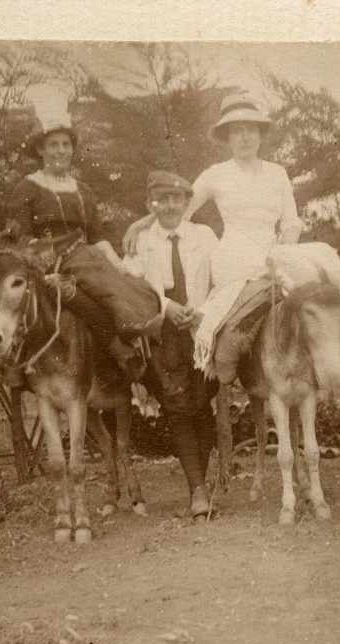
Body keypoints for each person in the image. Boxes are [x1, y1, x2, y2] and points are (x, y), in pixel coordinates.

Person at [124, 93, 324, 384]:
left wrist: (284, 252)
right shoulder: (215, 175)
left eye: (251, 129)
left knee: (317, 293)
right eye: (237, 131)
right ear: (227, 138)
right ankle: (233, 363)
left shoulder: (278, 173)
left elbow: (291, 221)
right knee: (246, 312)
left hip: (274, 253)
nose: (245, 137)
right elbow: (181, 210)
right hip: (235, 258)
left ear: (260, 134)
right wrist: (142, 223)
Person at [6, 101, 160, 360]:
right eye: (53, 145)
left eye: (66, 145)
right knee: (77, 288)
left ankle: (138, 332)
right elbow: (20, 234)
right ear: (41, 149)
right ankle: (123, 331)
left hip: (84, 259)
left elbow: (97, 235)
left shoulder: (82, 190)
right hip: (45, 264)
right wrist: (45, 257)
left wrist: (117, 263)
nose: (60, 151)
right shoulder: (27, 187)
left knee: (123, 278)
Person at [122, 171, 219, 518]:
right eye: (162, 200)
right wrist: (166, 307)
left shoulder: (204, 236)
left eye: (177, 199)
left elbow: (223, 280)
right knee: (178, 409)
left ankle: (201, 488)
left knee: (202, 403)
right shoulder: (141, 242)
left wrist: (202, 311)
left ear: (186, 203)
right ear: (152, 204)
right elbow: (131, 286)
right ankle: (198, 491)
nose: (170, 206)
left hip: (201, 332)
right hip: (163, 337)